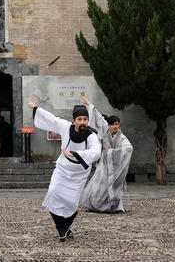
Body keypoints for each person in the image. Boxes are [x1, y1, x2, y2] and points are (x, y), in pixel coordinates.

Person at [27, 97, 101, 242]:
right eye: (79, 119)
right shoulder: (65, 126)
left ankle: (64, 227)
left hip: (79, 172)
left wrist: (76, 154)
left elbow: (96, 151)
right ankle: (62, 227)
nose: (82, 122)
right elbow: (52, 119)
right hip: (63, 168)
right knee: (53, 192)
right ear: (74, 120)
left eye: (85, 119)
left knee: (71, 202)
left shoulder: (91, 135)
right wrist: (36, 108)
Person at [80, 96, 133, 213]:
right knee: (99, 185)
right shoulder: (105, 130)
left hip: (116, 166)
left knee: (115, 187)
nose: (115, 126)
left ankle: (114, 206)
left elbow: (129, 148)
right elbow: (98, 117)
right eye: (113, 124)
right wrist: (89, 104)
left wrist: (112, 152)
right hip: (104, 164)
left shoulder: (121, 137)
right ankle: (97, 205)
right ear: (108, 125)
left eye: (117, 124)